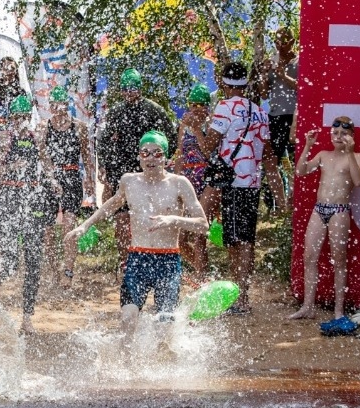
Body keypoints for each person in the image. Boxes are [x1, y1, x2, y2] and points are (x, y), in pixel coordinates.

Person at [65, 131, 207, 342]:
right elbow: (110, 206)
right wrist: (84, 226)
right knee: (128, 320)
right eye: (145, 153)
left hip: (168, 260)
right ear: (139, 156)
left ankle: (163, 364)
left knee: (164, 327)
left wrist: (173, 220)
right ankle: (126, 368)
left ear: (166, 158)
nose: (150, 158)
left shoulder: (179, 183)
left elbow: (203, 225)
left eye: (157, 154)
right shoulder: (129, 181)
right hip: (138, 259)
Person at [205, 62, 285, 314]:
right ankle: (243, 293)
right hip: (252, 182)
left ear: (224, 84)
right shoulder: (260, 111)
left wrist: (196, 129)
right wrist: (280, 193)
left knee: (235, 241)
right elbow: (270, 155)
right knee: (247, 238)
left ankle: (239, 298)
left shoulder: (224, 107)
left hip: (232, 182)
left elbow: (208, 146)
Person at [0, 95, 59, 334]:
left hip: (32, 201)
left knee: (33, 260)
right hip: (8, 201)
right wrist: (9, 168)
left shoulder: (37, 137)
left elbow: (47, 163)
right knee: (9, 261)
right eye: (17, 117)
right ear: (10, 118)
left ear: (29, 117)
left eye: (24, 117)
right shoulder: (2, 138)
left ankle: (27, 318)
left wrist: (51, 180)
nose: (21, 121)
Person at [289, 116, 360, 327]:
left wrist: (349, 153)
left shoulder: (357, 156)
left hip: (340, 210)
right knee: (309, 256)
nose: (339, 137)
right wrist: (307, 146)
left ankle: (338, 310)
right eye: (335, 133)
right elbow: (301, 171)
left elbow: (358, 181)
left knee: (339, 260)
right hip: (319, 209)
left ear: (351, 137)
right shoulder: (323, 154)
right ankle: (308, 306)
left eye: (344, 134)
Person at [98, 68, 177, 271]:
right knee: (122, 219)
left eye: (132, 88)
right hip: (122, 173)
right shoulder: (116, 112)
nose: (129, 92)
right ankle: (126, 262)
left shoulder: (154, 110)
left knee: (147, 218)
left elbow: (171, 139)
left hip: (150, 173)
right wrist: (105, 169)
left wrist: (162, 161)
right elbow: (104, 142)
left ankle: (152, 261)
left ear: (140, 89)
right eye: (125, 89)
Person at [40, 86, 95, 279]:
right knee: (47, 231)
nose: (58, 109)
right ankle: (53, 269)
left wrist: (89, 178)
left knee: (69, 226)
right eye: (54, 105)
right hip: (51, 179)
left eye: (61, 104)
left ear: (67, 105)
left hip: (72, 177)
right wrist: (52, 178)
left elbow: (87, 156)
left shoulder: (78, 126)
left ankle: (68, 270)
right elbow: (43, 157)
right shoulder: (43, 127)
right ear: (51, 106)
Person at [173, 84, 219, 283]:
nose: (196, 109)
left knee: (200, 236)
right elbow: (180, 154)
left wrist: (198, 129)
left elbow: (209, 153)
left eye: (200, 105)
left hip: (207, 179)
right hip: (188, 179)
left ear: (207, 107)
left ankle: (201, 278)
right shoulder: (184, 123)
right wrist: (174, 180)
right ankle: (204, 273)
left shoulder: (213, 124)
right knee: (180, 239)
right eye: (193, 105)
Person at [261, 27, 299, 167]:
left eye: (283, 41)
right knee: (272, 160)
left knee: (296, 158)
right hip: (275, 116)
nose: (279, 45)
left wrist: (284, 76)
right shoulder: (272, 61)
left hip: (294, 116)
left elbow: (305, 89)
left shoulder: (300, 61)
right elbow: (264, 95)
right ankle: (277, 187)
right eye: (276, 42)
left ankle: (295, 187)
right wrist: (264, 74)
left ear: (292, 42)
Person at [0, 56, 27, 134]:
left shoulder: (21, 92)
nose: (9, 71)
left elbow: (25, 119)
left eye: (12, 68)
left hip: (17, 135)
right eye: (6, 68)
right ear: (1, 70)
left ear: (16, 71)